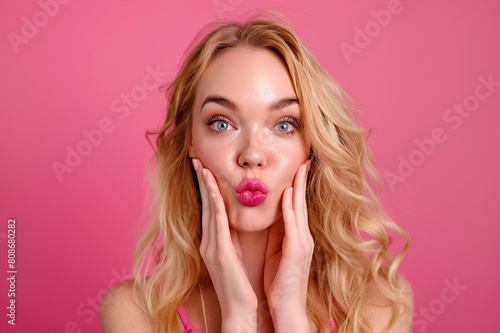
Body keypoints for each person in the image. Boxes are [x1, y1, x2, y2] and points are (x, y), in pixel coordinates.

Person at [100, 12, 413, 333]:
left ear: (312, 145)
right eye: (221, 123)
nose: (252, 154)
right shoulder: (136, 314)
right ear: (191, 141)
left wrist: (289, 314)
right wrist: (238, 317)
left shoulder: (380, 306)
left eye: (284, 124)